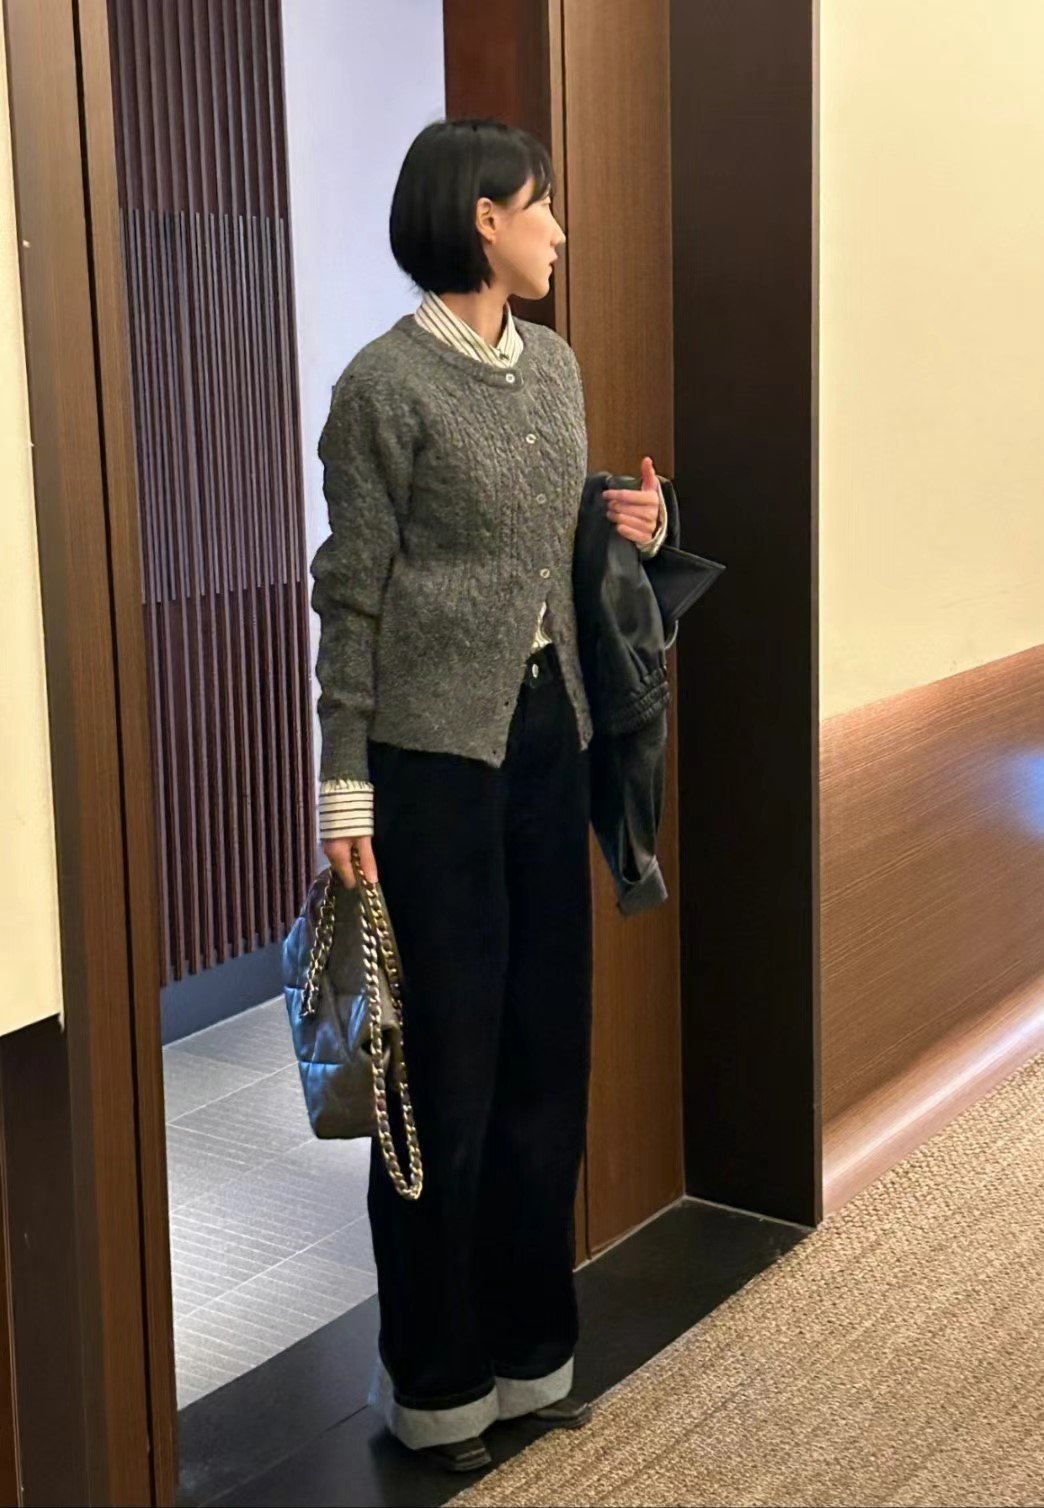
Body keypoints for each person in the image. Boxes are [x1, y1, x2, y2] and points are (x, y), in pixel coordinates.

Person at [310, 117, 667, 1474]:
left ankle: (529, 1358)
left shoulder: (555, 366)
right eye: (540, 206)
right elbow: (351, 596)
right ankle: (437, 1383)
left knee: (545, 1062)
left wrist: (625, 523)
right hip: (428, 766)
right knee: (441, 1084)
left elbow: (545, 529)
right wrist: (346, 785)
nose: (557, 228)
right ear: (483, 221)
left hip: (546, 743)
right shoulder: (380, 388)